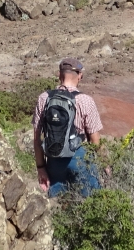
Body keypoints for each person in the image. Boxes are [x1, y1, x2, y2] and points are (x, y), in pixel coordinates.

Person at [33, 57, 103, 197]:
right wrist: (101, 165)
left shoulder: (44, 98)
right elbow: (95, 141)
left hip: (54, 158)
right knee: (90, 201)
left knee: (58, 206)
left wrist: (41, 168)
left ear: (59, 75)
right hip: (80, 157)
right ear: (80, 76)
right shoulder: (86, 101)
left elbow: (37, 139)